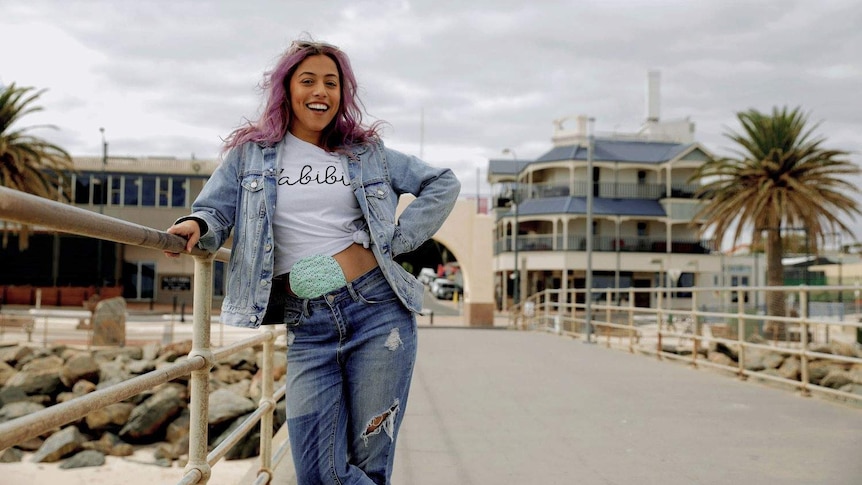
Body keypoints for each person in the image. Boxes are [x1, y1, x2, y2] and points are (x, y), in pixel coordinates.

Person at [165, 39, 460, 484]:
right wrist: (196, 226)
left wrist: (393, 242)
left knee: (369, 463)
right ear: (287, 89)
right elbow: (216, 211)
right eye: (308, 80)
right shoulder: (250, 155)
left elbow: (442, 182)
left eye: (331, 82)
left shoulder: (365, 152)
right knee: (317, 473)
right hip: (308, 321)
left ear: (343, 94)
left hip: (379, 311)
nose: (320, 91)